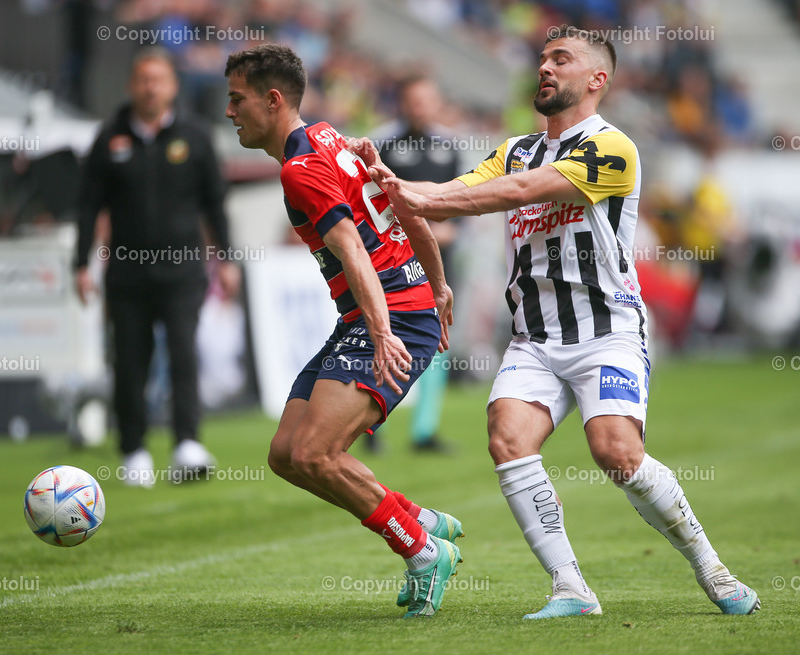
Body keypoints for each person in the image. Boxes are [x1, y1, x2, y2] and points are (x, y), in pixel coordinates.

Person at [357, 25, 760, 618]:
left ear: (597, 79)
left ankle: (713, 569)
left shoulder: (611, 148)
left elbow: (514, 192)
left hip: (607, 332)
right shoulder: (516, 148)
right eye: (543, 58)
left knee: (617, 454)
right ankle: (570, 588)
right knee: (507, 438)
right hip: (535, 338)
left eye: (561, 59)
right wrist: (389, 183)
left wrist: (421, 200)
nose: (545, 68)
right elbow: (461, 187)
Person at [223, 44, 462, 618]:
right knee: (286, 453)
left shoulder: (301, 166)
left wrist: (385, 333)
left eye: (237, 99)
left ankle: (423, 549)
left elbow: (353, 247)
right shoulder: (333, 139)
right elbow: (403, 207)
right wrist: (440, 283)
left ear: (272, 99)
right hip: (380, 313)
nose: (229, 112)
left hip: (392, 318)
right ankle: (419, 520)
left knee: (315, 451)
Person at [75, 47, 238, 487]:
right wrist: (80, 263)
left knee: (185, 352)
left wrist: (227, 258)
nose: (150, 87)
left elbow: (215, 204)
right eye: (143, 79)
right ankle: (133, 450)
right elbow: (88, 206)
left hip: (183, 270)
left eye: (158, 79)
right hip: (126, 273)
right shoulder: (109, 138)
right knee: (130, 361)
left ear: (173, 85)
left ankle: (187, 443)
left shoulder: (196, 135)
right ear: (132, 85)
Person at [366, 74, 462, 454]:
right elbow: (372, 202)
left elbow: (463, 195)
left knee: (438, 341)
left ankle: (424, 431)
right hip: (394, 260)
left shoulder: (450, 146)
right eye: (413, 100)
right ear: (401, 103)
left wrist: (454, 229)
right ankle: (371, 426)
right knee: (383, 337)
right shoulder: (382, 142)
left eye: (427, 100)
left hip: (440, 262)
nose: (420, 107)